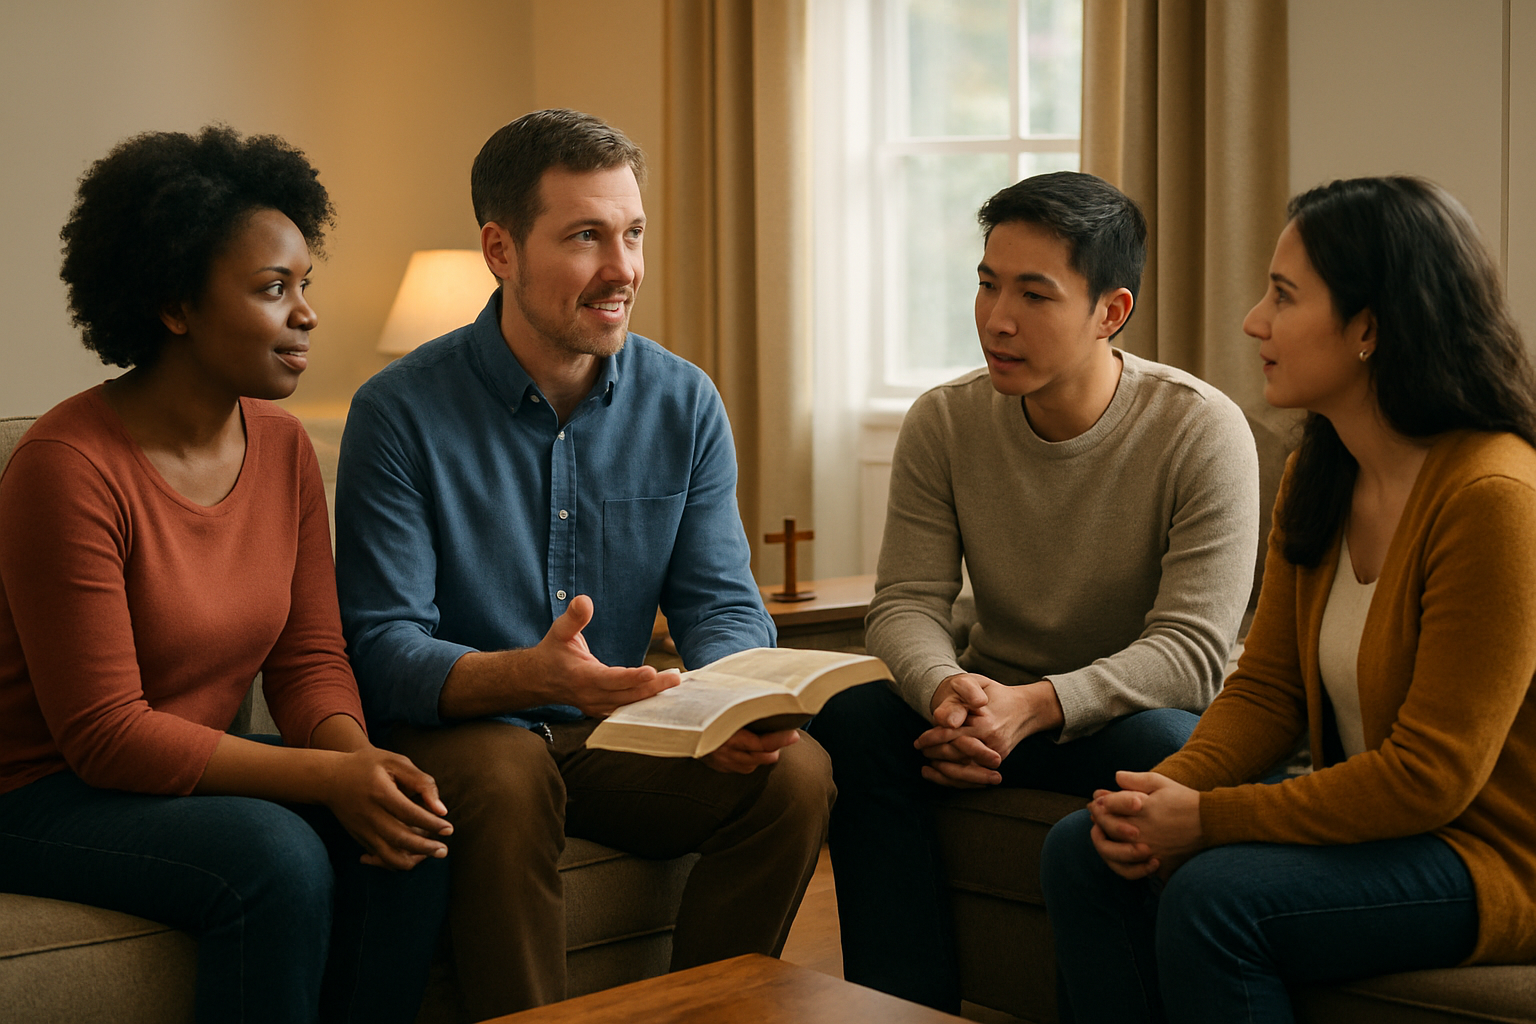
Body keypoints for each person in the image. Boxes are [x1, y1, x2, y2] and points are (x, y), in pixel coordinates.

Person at [334, 108, 835, 1020]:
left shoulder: (684, 401)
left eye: (633, 233)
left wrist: (731, 700)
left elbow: (722, 601)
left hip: (614, 735)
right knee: (512, 772)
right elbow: (379, 647)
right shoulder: (397, 413)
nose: (624, 268)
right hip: (469, 735)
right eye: (585, 237)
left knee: (796, 776)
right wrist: (530, 673)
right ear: (501, 248)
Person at [1039, 175, 1536, 1023]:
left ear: (1370, 327)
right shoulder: (1322, 470)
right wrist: (1157, 800)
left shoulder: (1494, 496)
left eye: (1283, 295)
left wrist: (1209, 819)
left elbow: (1430, 778)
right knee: (1085, 847)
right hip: (1400, 830)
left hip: (1491, 856)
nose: (1253, 321)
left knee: (1216, 897)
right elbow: (1265, 689)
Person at [0, 127, 451, 1024]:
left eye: (303, 286)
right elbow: (106, 735)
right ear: (176, 306)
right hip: (39, 796)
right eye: (272, 289)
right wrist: (322, 784)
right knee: (274, 856)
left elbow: (310, 655)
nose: (307, 314)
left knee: (414, 831)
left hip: (169, 779)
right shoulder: (65, 463)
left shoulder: (284, 448)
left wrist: (356, 765)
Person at [808, 171, 1260, 1011]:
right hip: (988, 702)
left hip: (1111, 713)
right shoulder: (945, 421)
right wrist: (947, 694)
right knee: (854, 724)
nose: (996, 319)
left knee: (1168, 746)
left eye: (1033, 294)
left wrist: (1035, 707)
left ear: (1111, 312)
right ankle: (903, 1006)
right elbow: (906, 600)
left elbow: (1194, 655)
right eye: (986, 283)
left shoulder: (1200, 429)